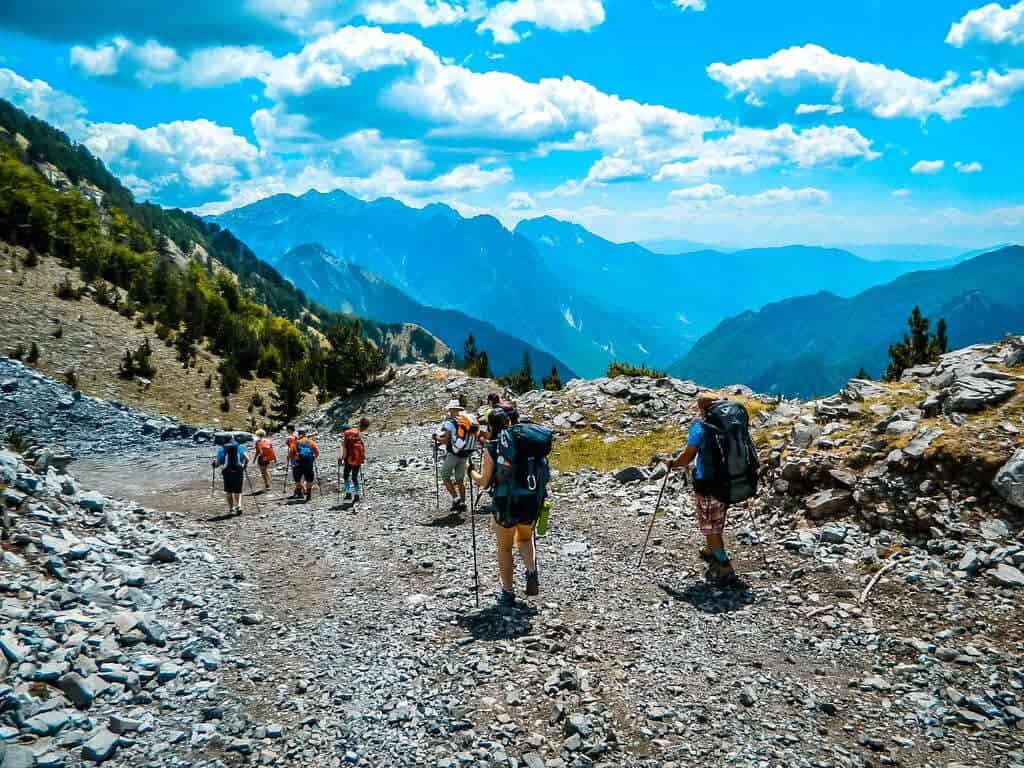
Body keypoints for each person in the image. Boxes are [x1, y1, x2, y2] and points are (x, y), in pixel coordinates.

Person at [467, 408, 540, 606]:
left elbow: (484, 482)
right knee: (525, 538)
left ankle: (508, 592)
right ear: (509, 422)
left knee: (505, 548)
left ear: (490, 427)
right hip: (530, 501)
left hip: (505, 503)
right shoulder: (526, 444)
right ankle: (531, 571)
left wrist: (470, 471)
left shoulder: (492, 447)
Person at [668, 393, 737, 584]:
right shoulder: (729, 425)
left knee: (709, 525)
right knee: (717, 518)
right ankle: (710, 550)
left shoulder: (700, 427)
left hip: (707, 484)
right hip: (728, 482)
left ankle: (724, 566)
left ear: (702, 409)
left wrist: (672, 463)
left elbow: (687, 457)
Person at [434, 400, 474, 513]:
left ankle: (456, 499)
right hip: (465, 453)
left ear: (451, 410)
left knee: (445, 475)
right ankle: (463, 503)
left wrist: (436, 438)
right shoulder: (465, 421)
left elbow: (446, 440)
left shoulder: (450, 423)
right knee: (460, 479)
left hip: (454, 454)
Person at [212, 434, 248, 515]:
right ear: (232, 439)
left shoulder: (222, 449)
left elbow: (217, 465)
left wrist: (214, 464)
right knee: (238, 490)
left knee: (229, 491)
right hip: (238, 471)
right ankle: (239, 506)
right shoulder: (240, 447)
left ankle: (231, 509)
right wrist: (244, 467)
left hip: (227, 472)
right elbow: (247, 459)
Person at [339, 417, 370, 502]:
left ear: (344, 431)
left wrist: (341, 459)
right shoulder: (357, 436)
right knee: (354, 477)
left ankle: (348, 493)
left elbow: (344, 452)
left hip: (348, 460)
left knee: (346, 476)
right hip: (357, 460)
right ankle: (357, 495)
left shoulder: (345, 439)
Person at [289, 428, 319, 502]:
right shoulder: (311, 442)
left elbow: (291, 454)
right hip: (308, 462)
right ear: (305, 434)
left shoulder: (295, 443)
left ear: (298, 435)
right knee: (309, 479)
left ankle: (299, 493)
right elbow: (316, 452)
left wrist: (292, 462)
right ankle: (308, 495)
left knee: (297, 479)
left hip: (298, 463)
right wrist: (313, 459)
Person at [285, 424, 298, 496]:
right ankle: (300, 490)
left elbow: (292, 447)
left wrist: (289, 456)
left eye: (287, 429)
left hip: (294, 456)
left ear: (289, 429)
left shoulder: (290, 437)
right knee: (300, 473)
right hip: (302, 456)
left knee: (296, 473)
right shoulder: (298, 434)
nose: (286, 431)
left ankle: (300, 490)